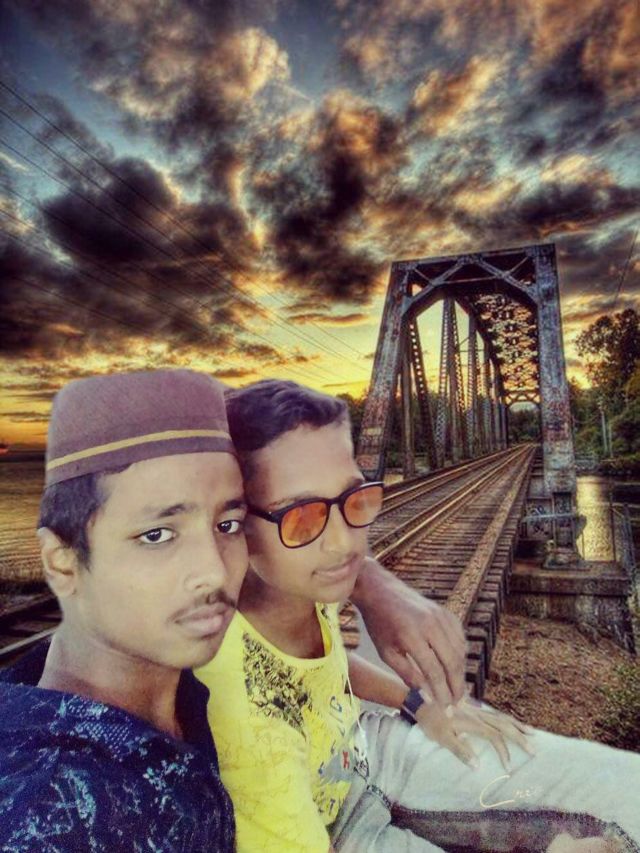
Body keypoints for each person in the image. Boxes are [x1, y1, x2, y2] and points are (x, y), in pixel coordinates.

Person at [196, 379, 640, 853]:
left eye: (354, 499)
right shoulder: (242, 719)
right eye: (301, 517)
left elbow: (319, 668)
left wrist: (419, 706)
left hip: (365, 748)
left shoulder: (301, 579)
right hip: (334, 829)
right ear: (233, 524)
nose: (345, 542)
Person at [0, 369, 246, 851]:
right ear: (62, 561)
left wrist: (369, 584)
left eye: (229, 524)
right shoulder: (48, 814)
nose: (216, 573)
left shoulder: (175, 684)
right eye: (157, 535)